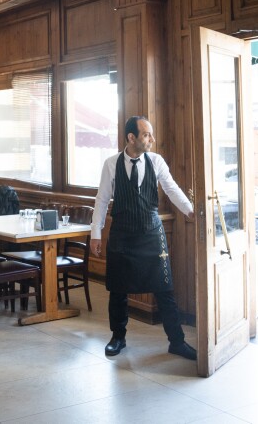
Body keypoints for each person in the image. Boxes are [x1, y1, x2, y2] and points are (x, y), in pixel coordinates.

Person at [90, 116, 197, 361]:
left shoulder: (156, 161)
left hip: (151, 233)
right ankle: (118, 338)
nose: (152, 139)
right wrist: (95, 234)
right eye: (147, 134)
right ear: (131, 138)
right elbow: (102, 199)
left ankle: (177, 342)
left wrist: (190, 210)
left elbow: (171, 188)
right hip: (122, 234)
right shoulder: (110, 164)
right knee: (117, 290)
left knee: (165, 289)